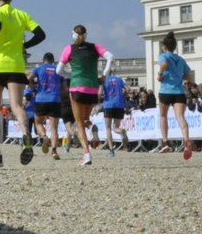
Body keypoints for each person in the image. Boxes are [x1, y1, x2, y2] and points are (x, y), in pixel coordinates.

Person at [0, 0, 46, 167]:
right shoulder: (21, 15)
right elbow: (41, 34)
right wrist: (25, 45)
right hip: (16, 65)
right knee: (16, 105)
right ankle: (26, 134)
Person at [58, 25, 110, 165]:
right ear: (86, 35)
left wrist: (71, 74)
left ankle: (86, 154)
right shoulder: (95, 47)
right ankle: (92, 127)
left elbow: (59, 71)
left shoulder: (69, 49)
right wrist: (103, 75)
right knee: (85, 119)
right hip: (93, 88)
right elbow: (110, 57)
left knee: (79, 123)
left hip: (77, 88)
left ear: (73, 35)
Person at [153, 30, 196, 158]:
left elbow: (164, 64)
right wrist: (185, 81)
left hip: (165, 90)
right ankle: (186, 138)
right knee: (180, 117)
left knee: (163, 116)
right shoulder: (180, 59)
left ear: (164, 46)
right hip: (179, 91)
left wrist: (160, 74)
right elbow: (188, 74)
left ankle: (165, 142)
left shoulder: (163, 56)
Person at [30, 52, 65, 160]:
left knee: (38, 123)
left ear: (43, 59)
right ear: (53, 60)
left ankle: (44, 136)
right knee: (54, 128)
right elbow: (65, 89)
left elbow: (28, 78)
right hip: (55, 99)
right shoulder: (58, 70)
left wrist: (33, 89)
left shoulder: (39, 69)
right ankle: (54, 151)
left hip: (41, 98)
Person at [99, 67, 130, 153]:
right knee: (116, 127)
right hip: (119, 104)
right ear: (113, 71)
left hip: (108, 104)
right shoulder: (119, 79)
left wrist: (99, 99)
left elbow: (100, 93)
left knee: (108, 127)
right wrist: (124, 96)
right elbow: (128, 89)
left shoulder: (103, 80)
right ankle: (122, 131)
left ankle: (111, 149)